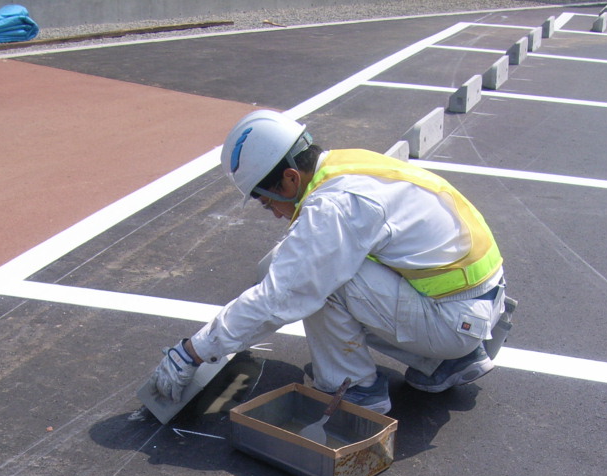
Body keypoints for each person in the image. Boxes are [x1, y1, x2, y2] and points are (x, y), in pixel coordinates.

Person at [148, 109, 510, 415]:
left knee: (319, 284)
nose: (274, 213)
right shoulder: (343, 164)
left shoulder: (335, 204)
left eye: (267, 201)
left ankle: (355, 392)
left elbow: (285, 296)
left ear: (290, 179)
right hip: (469, 303)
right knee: (292, 265)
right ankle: (447, 363)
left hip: (453, 320)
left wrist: (193, 352)